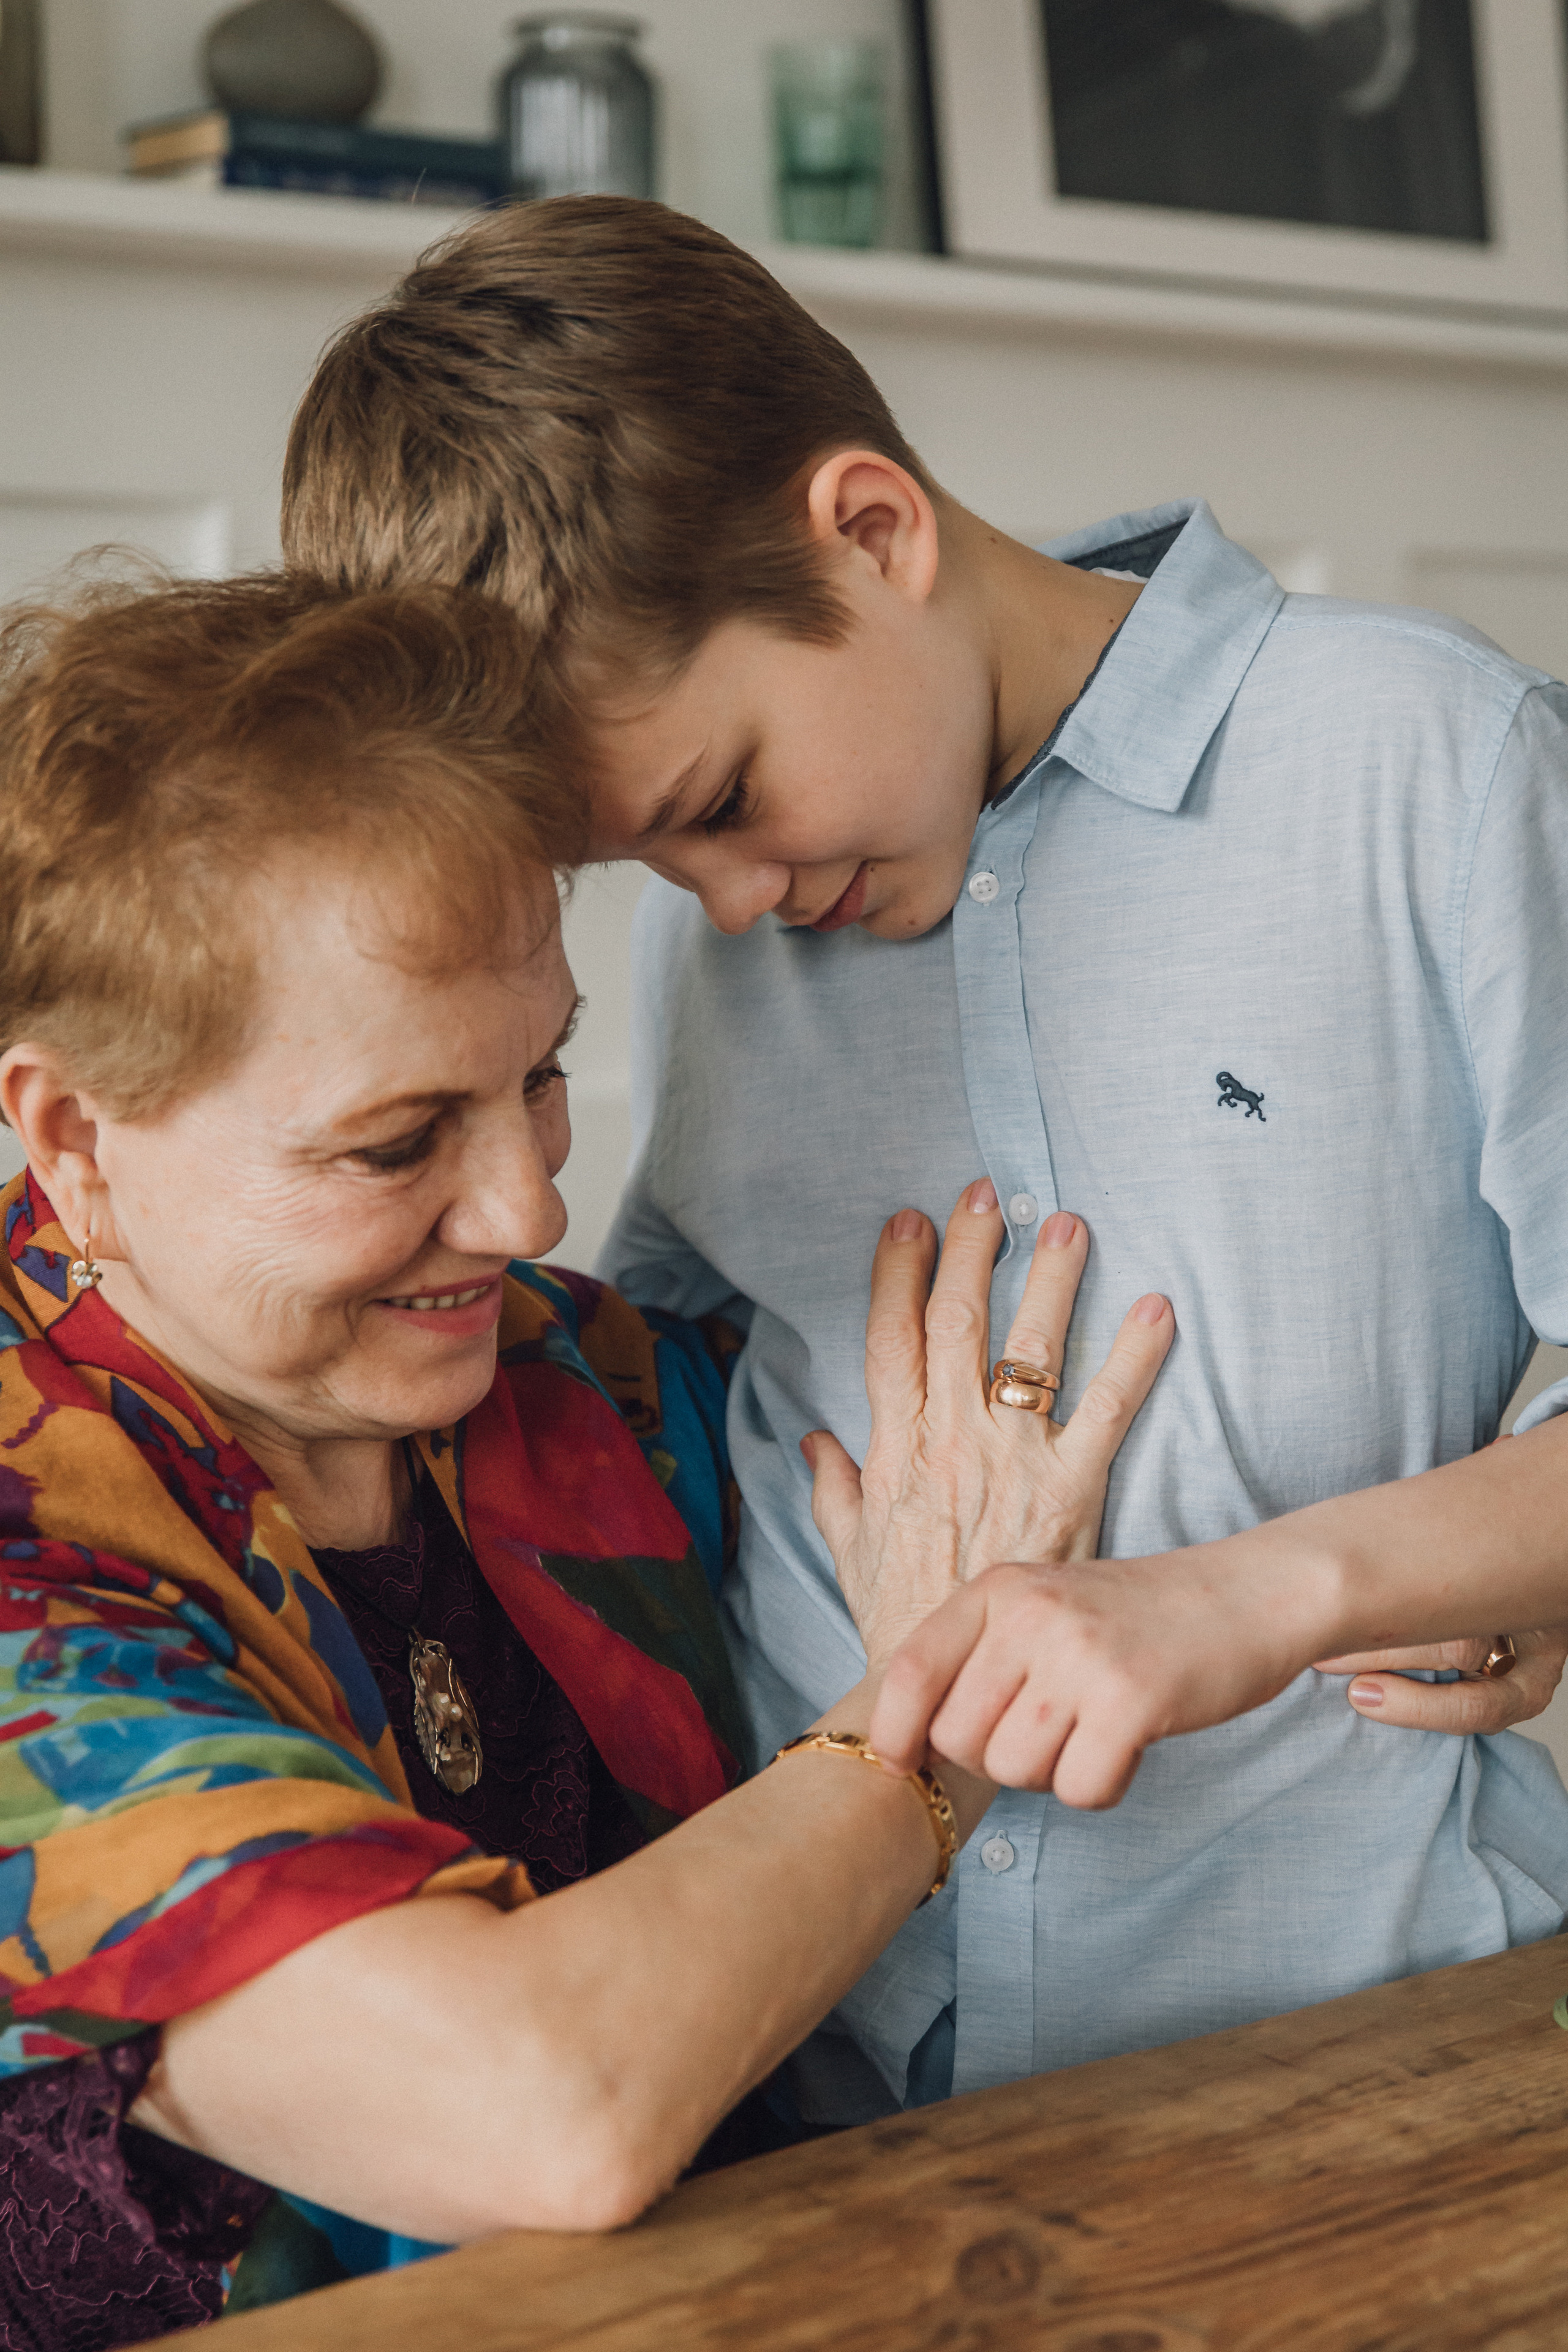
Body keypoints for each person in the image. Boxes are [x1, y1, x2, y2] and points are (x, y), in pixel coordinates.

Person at [281, 196, 1568, 2128]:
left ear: (871, 531)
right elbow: (649, 1399)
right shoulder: (728, 929)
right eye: (649, 861)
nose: (725, 904)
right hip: (829, 2105)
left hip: (1361, 2065)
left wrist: (1289, 1587)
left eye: (722, 801)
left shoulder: (1424, 765)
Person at [0, 572, 1172, 2346]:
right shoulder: (28, 1548)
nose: (534, 1206)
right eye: (395, 1144)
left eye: (540, 1075)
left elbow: (1068, 1499)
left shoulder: (553, 1362)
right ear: (75, 1139)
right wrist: (925, 1735)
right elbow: (541, 2109)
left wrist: (1439, 1579)